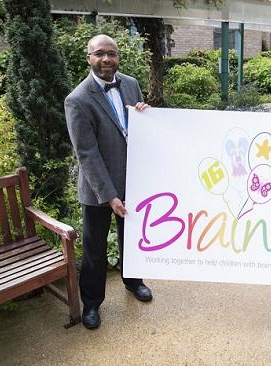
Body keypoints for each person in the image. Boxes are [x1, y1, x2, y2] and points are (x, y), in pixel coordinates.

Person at [65, 34, 152, 330]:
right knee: (94, 249)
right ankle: (92, 303)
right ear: (88, 57)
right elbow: (86, 154)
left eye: (111, 54)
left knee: (132, 239)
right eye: (99, 54)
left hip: (133, 181)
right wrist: (110, 196)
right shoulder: (77, 100)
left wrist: (145, 114)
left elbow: (138, 129)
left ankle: (133, 281)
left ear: (117, 57)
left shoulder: (130, 84)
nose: (106, 60)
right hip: (98, 189)